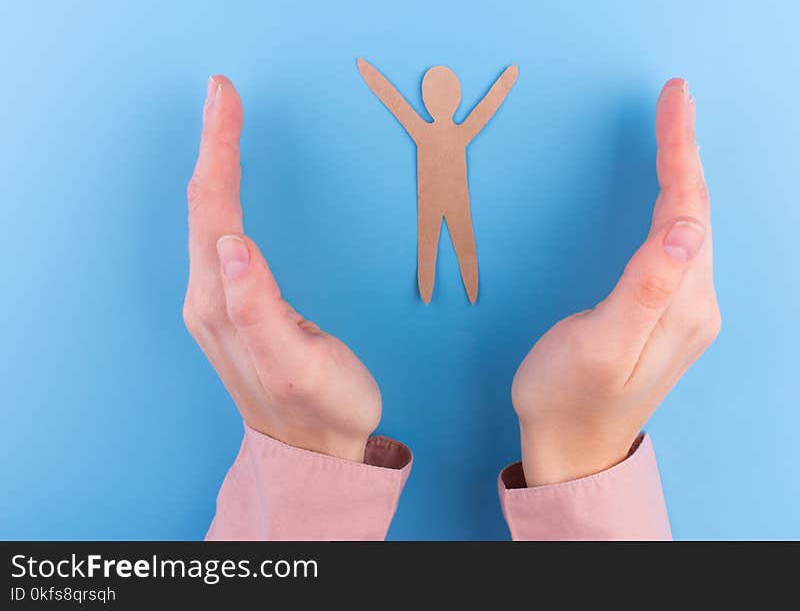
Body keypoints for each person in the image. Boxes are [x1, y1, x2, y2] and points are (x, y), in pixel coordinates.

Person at [183, 73, 720, 541]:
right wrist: (583, 466)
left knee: (456, 246)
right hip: (441, 196)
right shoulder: (435, 128)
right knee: (429, 249)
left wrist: (302, 478)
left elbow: (470, 109)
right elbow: (401, 104)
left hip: (453, 198)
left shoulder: (446, 129)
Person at [357, 59, 519, 304]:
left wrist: (507, 80)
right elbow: (486, 108)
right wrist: (506, 80)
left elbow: (394, 101)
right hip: (438, 200)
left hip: (446, 200)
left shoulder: (425, 132)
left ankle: (449, 289)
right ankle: (436, 290)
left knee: (443, 246)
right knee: (434, 247)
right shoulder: (450, 133)